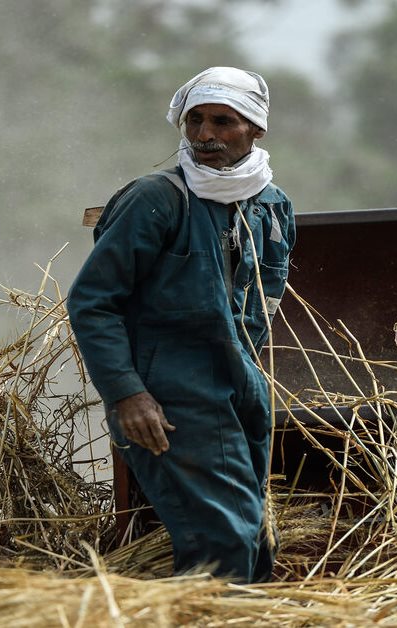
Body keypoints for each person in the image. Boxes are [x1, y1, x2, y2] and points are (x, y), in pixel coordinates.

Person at [67, 67, 295, 583]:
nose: (204, 136)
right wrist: (128, 394)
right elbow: (93, 303)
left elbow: (262, 306)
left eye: (222, 122)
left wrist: (248, 380)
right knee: (221, 544)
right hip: (169, 401)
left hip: (242, 390)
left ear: (255, 129)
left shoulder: (272, 206)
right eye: (194, 121)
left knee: (256, 543)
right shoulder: (157, 199)